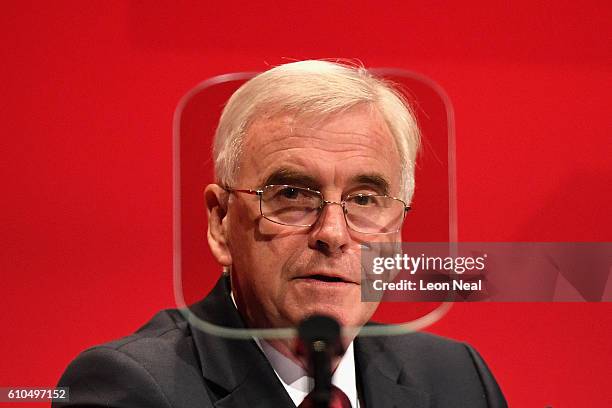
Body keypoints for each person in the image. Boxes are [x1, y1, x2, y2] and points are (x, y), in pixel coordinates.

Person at [55, 60, 507, 407]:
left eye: (365, 200)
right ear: (220, 223)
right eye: (291, 194)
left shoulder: (456, 377)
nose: (332, 233)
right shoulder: (130, 388)